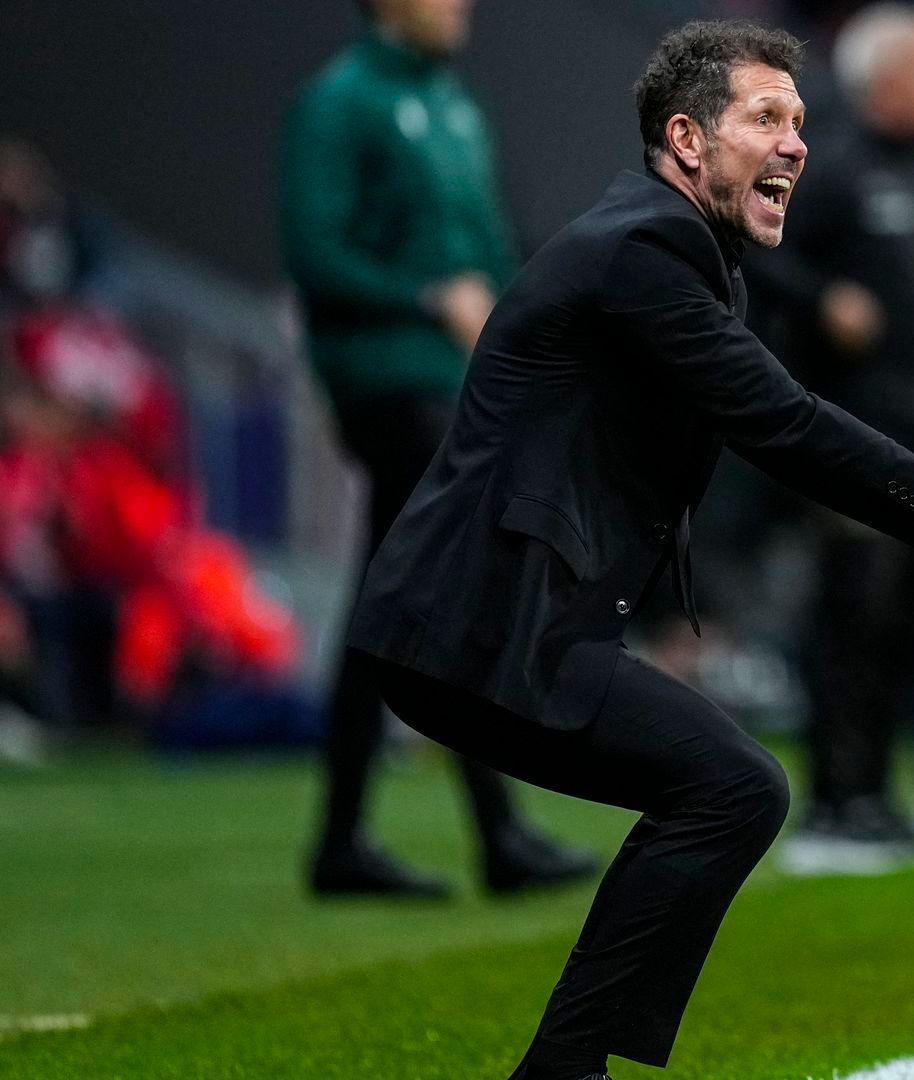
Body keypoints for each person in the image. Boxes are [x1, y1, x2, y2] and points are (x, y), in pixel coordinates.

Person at [346, 20, 914, 1078]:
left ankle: (563, 1069)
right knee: (731, 787)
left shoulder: (690, 257)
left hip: (500, 618)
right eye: (766, 117)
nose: (796, 143)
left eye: (800, 121)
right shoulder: (646, 249)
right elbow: (785, 423)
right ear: (687, 139)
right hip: (483, 620)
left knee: (725, 789)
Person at [280, 0, 593, 898]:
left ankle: (344, 840)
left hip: (457, 382)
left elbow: (489, 243)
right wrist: (427, 299)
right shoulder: (340, 102)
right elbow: (315, 252)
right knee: (446, 587)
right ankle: (497, 832)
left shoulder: (452, 103)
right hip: (391, 380)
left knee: (392, 595)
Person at [743, 3, 914, 874]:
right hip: (854, 432)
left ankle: (878, 795)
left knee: (911, 623)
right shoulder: (830, 168)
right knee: (853, 614)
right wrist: (822, 304)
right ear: (886, 79)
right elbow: (761, 253)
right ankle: (832, 805)